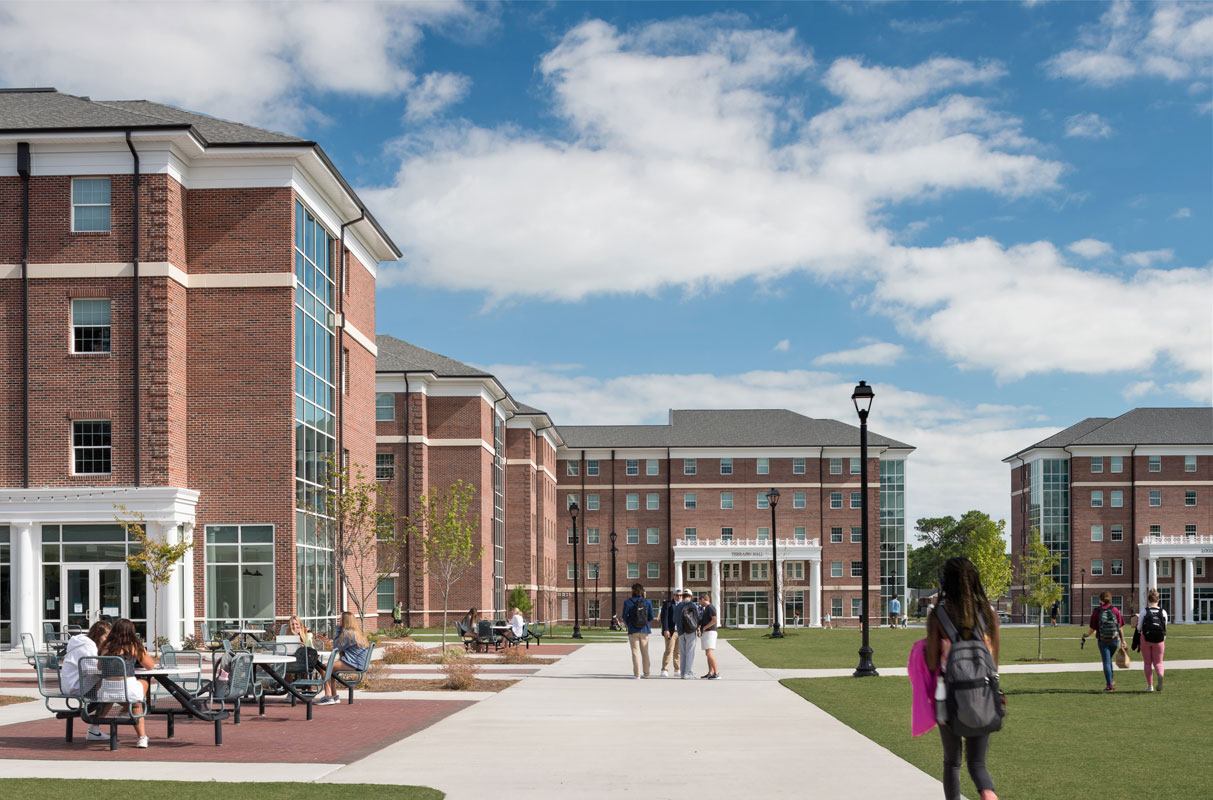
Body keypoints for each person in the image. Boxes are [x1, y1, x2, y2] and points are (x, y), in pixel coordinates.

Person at [925, 558, 1000, 800]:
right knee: (978, 763)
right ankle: (988, 793)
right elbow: (994, 660)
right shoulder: (989, 614)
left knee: (952, 762)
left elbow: (932, 663)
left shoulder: (939, 615)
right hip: (983, 693)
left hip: (950, 697)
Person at [97, 618, 156, 748]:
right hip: (127, 689)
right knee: (142, 686)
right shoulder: (134, 646)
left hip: (106, 691)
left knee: (131, 694)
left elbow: (100, 667)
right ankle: (141, 738)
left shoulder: (105, 647)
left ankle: (124, 708)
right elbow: (151, 666)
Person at [60, 620, 111, 741]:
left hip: (72, 685)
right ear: (98, 635)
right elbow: (94, 669)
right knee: (111, 692)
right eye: (105, 637)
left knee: (109, 688)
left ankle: (125, 708)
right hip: (78, 687)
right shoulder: (88, 646)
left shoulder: (81, 643)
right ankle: (94, 729)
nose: (107, 640)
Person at [320, 611, 370, 705]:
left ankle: (328, 696)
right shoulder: (357, 633)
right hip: (358, 663)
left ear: (345, 621)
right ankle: (334, 696)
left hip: (353, 663)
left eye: (340, 619)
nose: (339, 621)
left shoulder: (348, 633)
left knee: (324, 667)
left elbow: (336, 646)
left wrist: (338, 629)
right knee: (332, 671)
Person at [1082, 591, 1125, 692]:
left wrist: (1086, 635)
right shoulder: (1115, 610)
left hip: (1103, 640)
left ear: (1100, 600)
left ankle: (1109, 685)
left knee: (1106, 661)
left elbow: (1093, 628)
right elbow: (1120, 626)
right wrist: (1123, 640)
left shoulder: (1097, 611)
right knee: (1108, 660)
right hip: (1115, 640)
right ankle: (1111, 679)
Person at [1137, 589, 1168, 692]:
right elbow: (1165, 627)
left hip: (1145, 638)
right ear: (1158, 600)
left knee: (1147, 663)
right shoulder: (1163, 612)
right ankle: (1160, 675)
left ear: (1148, 601)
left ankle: (1150, 686)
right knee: (1158, 663)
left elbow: (1139, 627)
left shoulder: (1144, 611)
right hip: (1159, 640)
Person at [621, 583, 654, 678]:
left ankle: (637, 674)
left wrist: (630, 623)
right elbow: (651, 615)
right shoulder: (647, 602)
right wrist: (645, 622)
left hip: (633, 630)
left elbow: (624, 616)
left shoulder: (628, 602)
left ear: (633, 591)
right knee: (645, 652)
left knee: (635, 652)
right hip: (644, 630)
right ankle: (646, 673)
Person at [674, 590, 700, 679]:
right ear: (690, 596)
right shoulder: (693, 605)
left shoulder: (678, 606)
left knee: (683, 652)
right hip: (691, 631)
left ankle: (682, 673)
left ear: (683, 596)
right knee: (690, 652)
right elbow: (698, 617)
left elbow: (674, 619)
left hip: (680, 631)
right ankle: (688, 672)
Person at [659, 589, 682, 677]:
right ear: (674, 595)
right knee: (669, 650)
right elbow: (664, 618)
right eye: (677, 595)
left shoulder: (683, 605)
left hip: (680, 631)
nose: (679, 597)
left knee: (678, 652)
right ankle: (664, 669)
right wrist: (666, 629)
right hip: (671, 631)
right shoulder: (668, 604)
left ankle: (677, 669)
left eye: (680, 595)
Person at [698, 593, 720, 679]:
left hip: (710, 632)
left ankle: (716, 672)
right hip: (707, 632)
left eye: (700, 600)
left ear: (703, 599)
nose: (699, 602)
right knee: (707, 653)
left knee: (709, 653)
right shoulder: (706, 608)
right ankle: (710, 672)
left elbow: (714, 620)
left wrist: (705, 628)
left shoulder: (710, 607)